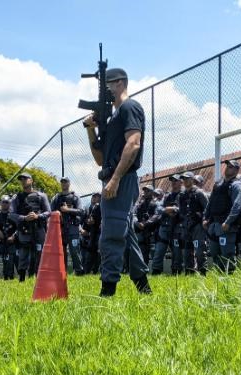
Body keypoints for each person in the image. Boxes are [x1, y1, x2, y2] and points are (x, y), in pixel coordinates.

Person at [83, 66, 152, 296]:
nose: (106, 90)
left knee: (111, 234)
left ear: (120, 83)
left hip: (120, 179)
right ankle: (144, 290)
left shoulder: (129, 108)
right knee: (126, 234)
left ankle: (107, 292)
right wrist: (90, 130)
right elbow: (100, 158)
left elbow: (133, 144)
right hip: (113, 177)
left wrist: (115, 179)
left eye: (109, 85)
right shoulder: (112, 118)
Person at [203, 159, 241, 272]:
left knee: (227, 253)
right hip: (214, 225)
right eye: (227, 166)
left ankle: (230, 277)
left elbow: (237, 205)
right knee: (214, 252)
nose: (227, 168)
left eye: (231, 167)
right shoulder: (218, 184)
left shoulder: (237, 185)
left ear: (237, 170)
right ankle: (219, 277)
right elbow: (210, 203)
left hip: (226, 226)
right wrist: (205, 218)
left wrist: (228, 222)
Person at [9, 173, 51, 282]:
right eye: (21, 179)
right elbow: (11, 214)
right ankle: (22, 278)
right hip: (24, 229)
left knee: (39, 254)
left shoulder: (41, 196)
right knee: (23, 254)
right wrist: (24, 218)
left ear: (31, 180)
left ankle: (39, 277)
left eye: (25, 179)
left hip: (38, 228)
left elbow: (49, 212)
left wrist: (38, 216)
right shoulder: (16, 197)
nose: (23, 181)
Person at [51, 177, 86, 275]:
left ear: (69, 183)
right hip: (60, 229)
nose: (63, 184)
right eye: (62, 182)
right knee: (61, 252)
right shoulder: (56, 198)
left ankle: (79, 271)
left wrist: (68, 210)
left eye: (65, 182)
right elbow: (50, 212)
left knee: (74, 251)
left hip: (73, 228)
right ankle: (63, 272)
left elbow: (81, 212)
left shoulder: (75, 197)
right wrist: (56, 213)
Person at [177, 171, 209, 274]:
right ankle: (189, 274)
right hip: (186, 226)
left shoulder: (199, 193)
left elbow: (207, 208)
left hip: (197, 226)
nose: (185, 181)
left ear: (192, 180)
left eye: (187, 179)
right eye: (184, 179)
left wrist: (204, 220)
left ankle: (203, 273)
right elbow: (181, 211)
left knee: (200, 251)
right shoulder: (182, 195)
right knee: (187, 253)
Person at [150, 174, 183, 275]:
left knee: (177, 252)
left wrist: (174, 209)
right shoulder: (167, 195)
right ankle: (156, 272)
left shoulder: (183, 194)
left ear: (181, 182)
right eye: (172, 181)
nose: (173, 183)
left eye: (176, 181)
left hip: (177, 227)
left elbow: (184, 209)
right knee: (159, 250)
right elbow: (158, 208)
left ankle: (176, 273)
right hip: (164, 227)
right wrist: (166, 210)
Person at [133, 185, 158, 266]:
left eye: (148, 191)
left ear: (152, 192)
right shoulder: (140, 204)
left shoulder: (156, 203)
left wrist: (146, 223)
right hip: (141, 232)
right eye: (145, 191)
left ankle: (155, 272)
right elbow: (134, 215)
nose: (145, 192)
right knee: (143, 253)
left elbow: (157, 215)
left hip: (152, 232)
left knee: (154, 253)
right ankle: (144, 270)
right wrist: (137, 223)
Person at [80, 192, 102, 274]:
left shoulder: (103, 207)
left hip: (97, 234)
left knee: (98, 254)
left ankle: (96, 271)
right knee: (87, 255)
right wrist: (81, 230)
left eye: (98, 197)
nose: (96, 198)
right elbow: (79, 222)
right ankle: (85, 271)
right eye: (94, 196)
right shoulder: (86, 208)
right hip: (87, 236)